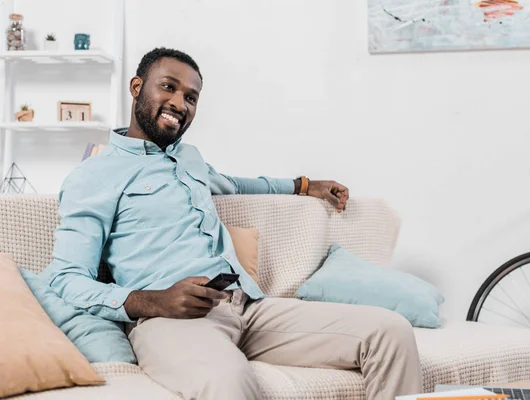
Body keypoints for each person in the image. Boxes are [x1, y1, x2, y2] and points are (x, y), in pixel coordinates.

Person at [41, 47, 422, 400]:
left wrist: (305, 185)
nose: (179, 103)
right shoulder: (93, 176)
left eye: (191, 97)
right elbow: (65, 279)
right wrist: (153, 300)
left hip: (247, 306)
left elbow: (238, 183)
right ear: (137, 87)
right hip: (171, 320)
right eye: (168, 87)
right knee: (229, 381)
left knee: (390, 331)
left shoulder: (189, 160)